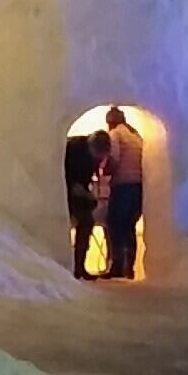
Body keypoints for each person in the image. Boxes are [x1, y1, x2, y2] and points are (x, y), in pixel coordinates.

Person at [64, 130, 112, 280]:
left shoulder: (89, 153)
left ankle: (79, 267)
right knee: (84, 222)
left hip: (79, 191)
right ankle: (74, 266)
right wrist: (81, 191)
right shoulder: (75, 149)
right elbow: (71, 177)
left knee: (86, 223)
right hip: (67, 189)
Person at [104, 107, 145, 280]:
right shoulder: (136, 136)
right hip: (138, 186)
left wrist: (106, 172)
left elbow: (114, 158)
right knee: (129, 226)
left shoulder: (115, 135)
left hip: (122, 185)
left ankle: (117, 265)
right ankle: (130, 267)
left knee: (114, 223)